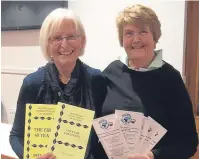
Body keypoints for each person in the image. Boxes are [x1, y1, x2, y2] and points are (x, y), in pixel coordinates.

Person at [102, 4, 198, 159]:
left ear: (155, 37)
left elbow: (188, 143)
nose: (136, 39)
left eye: (143, 32)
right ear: (122, 40)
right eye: (129, 33)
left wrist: (153, 156)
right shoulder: (111, 72)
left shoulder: (171, 78)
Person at [9, 8, 107, 159]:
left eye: (71, 36)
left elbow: (103, 133)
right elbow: (16, 135)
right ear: (46, 44)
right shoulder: (33, 83)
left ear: (82, 41)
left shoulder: (97, 80)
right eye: (56, 38)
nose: (64, 44)